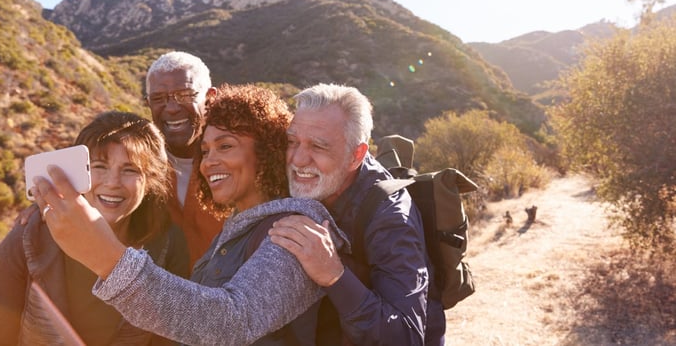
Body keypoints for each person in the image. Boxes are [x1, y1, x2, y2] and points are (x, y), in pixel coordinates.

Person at [30, 84, 349, 346]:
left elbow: (233, 323)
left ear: (267, 150)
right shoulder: (236, 231)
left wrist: (109, 260)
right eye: (205, 151)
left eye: (225, 146)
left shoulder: (298, 225)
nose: (208, 162)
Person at [0, 111, 189, 346]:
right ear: (77, 173)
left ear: (150, 181)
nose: (112, 182)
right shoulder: (29, 238)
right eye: (99, 166)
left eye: (130, 170)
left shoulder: (167, 245)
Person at [268, 83, 446, 345]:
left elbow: (407, 336)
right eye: (292, 142)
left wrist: (334, 275)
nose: (298, 159)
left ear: (356, 155)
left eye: (318, 146)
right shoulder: (311, 183)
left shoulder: (391, 218)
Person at [145, 51, 224, 267]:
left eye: (185, 95)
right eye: (159, 99)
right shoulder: (139, 165)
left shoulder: (240, 161)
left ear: (210, 98)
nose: (171, 108)